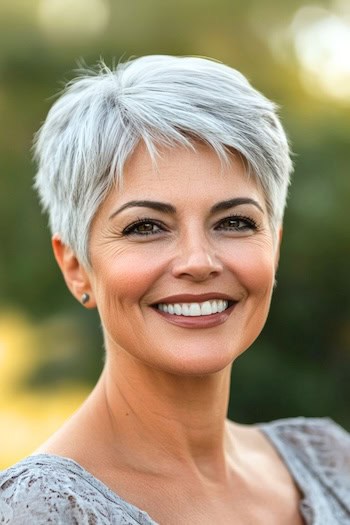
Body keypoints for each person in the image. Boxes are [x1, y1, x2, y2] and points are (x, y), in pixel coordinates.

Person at [0, 55, 349, 525]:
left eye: (234, 222)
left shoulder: (330, 463)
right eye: (146, 227)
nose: (198, 261)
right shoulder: (40, 512)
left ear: (275, 245)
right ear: (76, 266)